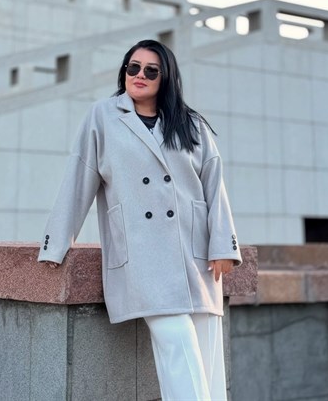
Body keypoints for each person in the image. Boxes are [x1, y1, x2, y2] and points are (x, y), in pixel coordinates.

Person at [38, 39, 242, 400]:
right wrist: (55, 245)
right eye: (133, 67)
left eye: (151, 70)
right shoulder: (103, 116)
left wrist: (223, 245)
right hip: (143, 253)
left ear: (166, 78)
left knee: (207, 356)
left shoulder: (191, 124)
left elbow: (214, 184)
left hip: (195, 255)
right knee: (177, 342)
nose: (140, 75)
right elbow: (78, 178)